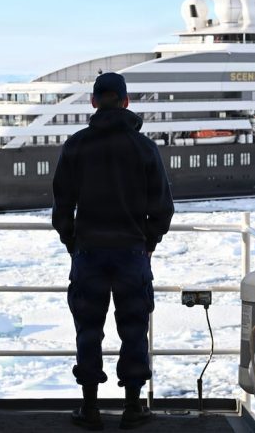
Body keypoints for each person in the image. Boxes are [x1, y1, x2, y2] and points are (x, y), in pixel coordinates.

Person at [52, 72, 174, 430]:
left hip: (88, 252)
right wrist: (147, 243)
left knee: (88, 329)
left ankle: (89, 408)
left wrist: (73, 243)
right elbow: (163, 209)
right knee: (134, 329)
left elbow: (62, 207)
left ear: (93, 102)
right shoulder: (145, 148)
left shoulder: (76, 145)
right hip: (132, 255)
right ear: (126, 101)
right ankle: (133, 407)